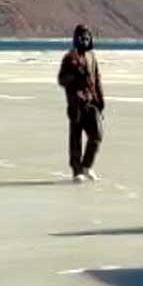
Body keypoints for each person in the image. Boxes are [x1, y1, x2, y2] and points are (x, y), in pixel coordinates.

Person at [57, 24, 105, 182]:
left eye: (87, 37)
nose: (85, 40)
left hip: (91, 102)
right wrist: (74, 75)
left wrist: (101, 100)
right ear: (76, 39)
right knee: (75, 139)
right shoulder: (69, 57)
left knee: (97, 135)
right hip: (76, 104)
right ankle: (77, 170)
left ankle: (87, 166)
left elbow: (97, 79)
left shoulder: (92, 57)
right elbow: (61, 80)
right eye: (82, 37)